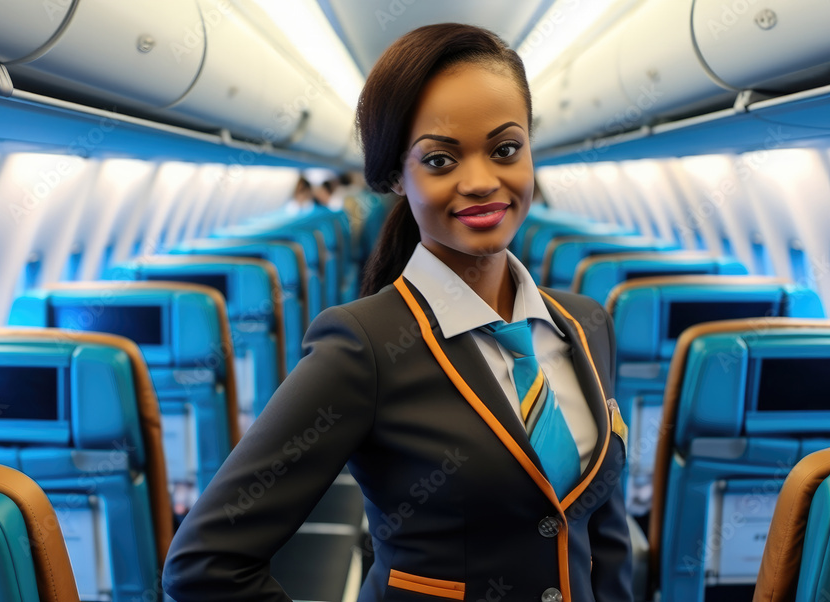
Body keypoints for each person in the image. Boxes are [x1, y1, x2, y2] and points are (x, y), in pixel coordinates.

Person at [164, 23, 632, 602]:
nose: (482, 182)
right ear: (394, 175)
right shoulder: (364, 346)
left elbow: (601, 534)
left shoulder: (587, 325)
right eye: (440, 160)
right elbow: (206, 563)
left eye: (505, 149)